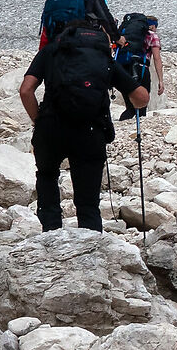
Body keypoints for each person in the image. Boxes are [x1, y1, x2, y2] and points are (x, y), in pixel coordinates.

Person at [18, 14, 125, 233]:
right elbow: (141, 97)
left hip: (51, 127)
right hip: (91, 130)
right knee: (88, 203)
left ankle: (51, 232)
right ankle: (90, 240)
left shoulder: (50, 51)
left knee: (47, 175)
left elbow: (26, 90)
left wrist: (39, 120)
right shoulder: (101, 56)